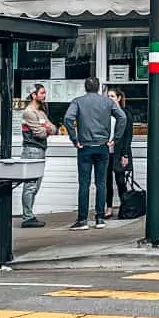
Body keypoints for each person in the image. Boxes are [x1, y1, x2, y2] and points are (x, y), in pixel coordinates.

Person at [65, 76, 126, 231]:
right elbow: (122, 117)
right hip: (102, 146)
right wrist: (115, 138)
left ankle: (83, 219)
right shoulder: (108, 102)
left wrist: (74, 138)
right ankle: (100, 217)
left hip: (84, 146)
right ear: (99, 88)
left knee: (84, 183)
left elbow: (68, 118)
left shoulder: (78, 101)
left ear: (85, 87)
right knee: (101, 183)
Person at [21, 84, 57, 228]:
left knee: (36, 185)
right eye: (41, 93)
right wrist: (46, 129)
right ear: (34, 95)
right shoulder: (29, 112)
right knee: (30, 185)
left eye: (44, 93)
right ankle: (27, 217)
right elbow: (39, 133)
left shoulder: (40, 112)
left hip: (40, 150)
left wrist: (48, 129)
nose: (44, 95)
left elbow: (54, 129)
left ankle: (29, 214)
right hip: (32, 150)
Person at [104, 87, 133, 219]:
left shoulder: (125, 113)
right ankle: (108, 207)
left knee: (120, 180)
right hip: (106, 151)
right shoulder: (105, 113)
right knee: (106, 181)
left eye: (112, 96)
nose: (110, 99)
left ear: (119, 98)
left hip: (119, 152)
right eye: (108, 96)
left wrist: (125, 154)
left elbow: (128, 136)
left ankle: (125, 206)